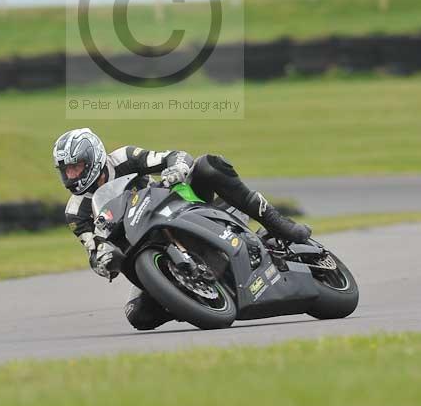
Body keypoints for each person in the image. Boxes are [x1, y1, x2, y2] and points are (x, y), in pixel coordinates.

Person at [53, 127, 311, 330]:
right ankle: (193, 296)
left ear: (93, 158)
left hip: (175, 206)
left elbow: (173, 156)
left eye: (76, 167)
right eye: (66, 170)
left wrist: (176, 169)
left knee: (208, 165)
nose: (72, 176)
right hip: (140, 247)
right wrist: (102, 260)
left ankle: (279, 225)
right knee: (138, 316)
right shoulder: (75, 211)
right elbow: (92, 246)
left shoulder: (122, 158)